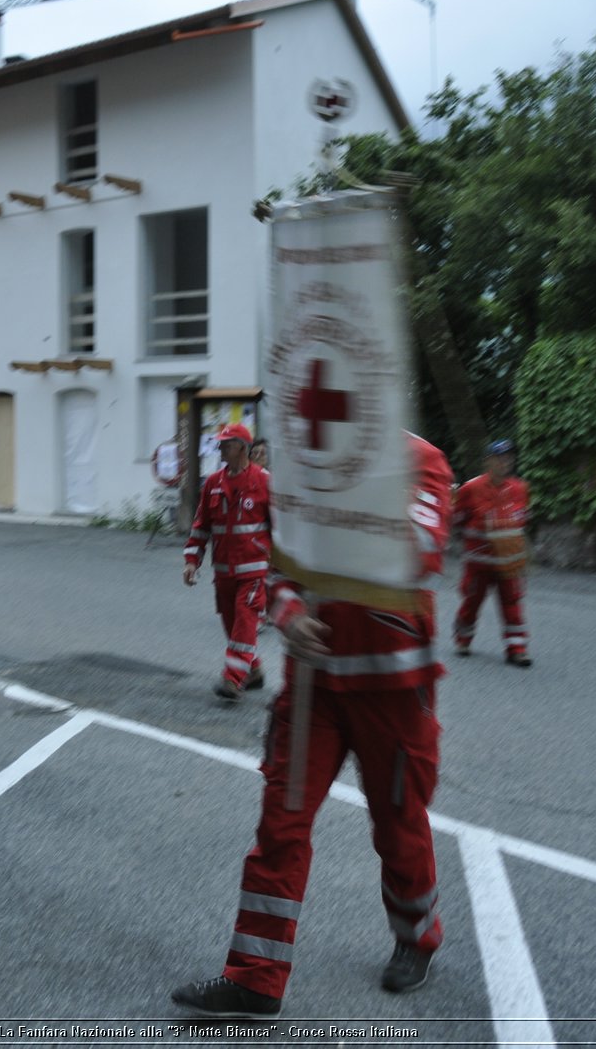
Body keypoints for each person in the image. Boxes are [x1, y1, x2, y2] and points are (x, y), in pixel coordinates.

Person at [171, 432, 455, 1016]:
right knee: (280, 825)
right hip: (314, 691)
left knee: (397, 823)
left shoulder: (419, 461)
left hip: (392, 693)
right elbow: (281, 572)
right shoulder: (306, 465)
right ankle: (255, 977)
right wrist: (290, 614)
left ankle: (416, 936)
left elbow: (419, 551)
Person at [183, 423, 272, 700]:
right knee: (233, 625)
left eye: (226, 444)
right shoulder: (212, 484)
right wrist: (191, 560)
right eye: (220, 443)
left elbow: (283, 529)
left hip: (254, 570)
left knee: (245, 621)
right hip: (223, 573)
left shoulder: (265, 482)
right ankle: (253, 670)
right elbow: (201, 526)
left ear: (242, 449)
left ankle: (233, 679)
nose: (220, 447)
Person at [452, 438, 532, 666]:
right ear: (488, 461)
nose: (505, 462)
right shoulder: (471, 488)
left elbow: (523, 520)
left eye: (509, 458)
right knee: (471, 603)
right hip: (478, 563)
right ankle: (463, 639)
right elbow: (457, 519)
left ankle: (517, 649)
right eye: (500, 458)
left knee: (512, 604)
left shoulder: (520, 489)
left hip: (508, 562)